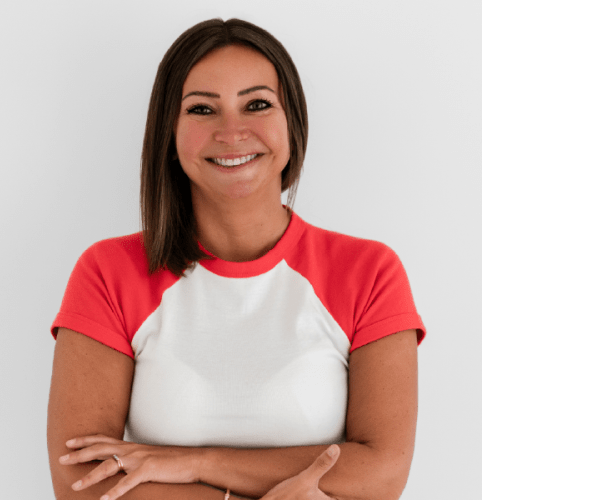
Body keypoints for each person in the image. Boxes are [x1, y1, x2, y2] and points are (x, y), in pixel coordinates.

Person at [47, 18, 425, 500]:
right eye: (202, 109)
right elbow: (82, 484)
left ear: (293, 124)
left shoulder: (370, 272)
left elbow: (381, 472)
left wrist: (192, 464)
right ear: (170, 131)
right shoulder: (107, 272)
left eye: (258, 104)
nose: (232, 131)